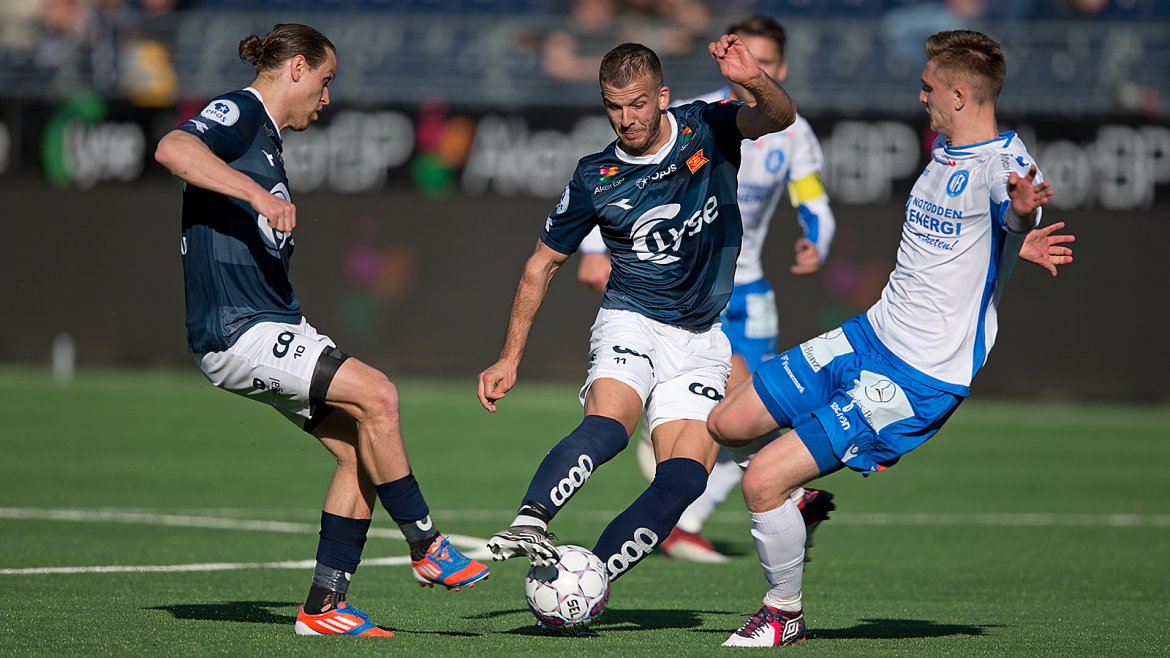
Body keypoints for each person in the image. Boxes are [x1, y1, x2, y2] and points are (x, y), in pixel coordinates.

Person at [707, 30, 1073, 647]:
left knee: (759, 480)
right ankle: (795, 510)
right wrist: (1011, 243)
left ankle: (782, 612)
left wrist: (1019, 221)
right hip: (869, 333)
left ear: (959, 95)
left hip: (916, 376)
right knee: (728, 423)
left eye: (929, 88)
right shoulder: (945, 146)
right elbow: (983, 233)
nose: (920, 94)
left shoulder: (1006, 167)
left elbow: (1016, 204)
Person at [153, 23, 489, 637]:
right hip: (239, 329)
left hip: (268, 322)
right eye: (325, 82)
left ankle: (323, 607)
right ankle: (426, 545)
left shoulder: (268, 140)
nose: (327, 98)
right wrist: (255, 194)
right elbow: (173, 149)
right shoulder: (242, 113)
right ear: (297, 68)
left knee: (363, 450)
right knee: (379, 394)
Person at [476, 36, 797, 588]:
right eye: (614, 105)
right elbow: (539, 267)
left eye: (638, 103)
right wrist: (509, 358)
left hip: (702, 339)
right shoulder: (594, 177)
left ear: (662, 97)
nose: (626, 118)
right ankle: (531, 520)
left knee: (682, 480)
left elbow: (779, 116)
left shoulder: (707, 127)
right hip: (633, 319)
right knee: (610, 425)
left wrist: (754, 79)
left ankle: (591, 577)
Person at [576, 14, 838, 564]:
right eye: (748, 56)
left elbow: (813, 198)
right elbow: (631, 185)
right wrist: (597, 252)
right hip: (685, 291)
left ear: (780, 68)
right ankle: (713, 505)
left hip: (753, 290)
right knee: (735, 400)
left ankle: (702, 507)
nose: (753, 70)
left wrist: (818, 237)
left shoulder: (796, 134)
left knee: (755, 415)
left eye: (766, 62)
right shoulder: (698, 118)